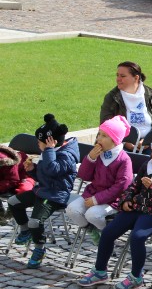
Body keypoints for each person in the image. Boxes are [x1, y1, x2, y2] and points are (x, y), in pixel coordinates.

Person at [77, 130, 152, 289]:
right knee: (108, 232)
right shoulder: (148, 165)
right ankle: (100, 270)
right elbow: (133, 186)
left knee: (137, 237)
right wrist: (126, 201)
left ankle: (136, 276)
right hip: (137, 207)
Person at [9, 114, 79, 268]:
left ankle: (39, 248)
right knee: (13, 202)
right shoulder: (49, 153)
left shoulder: (66, 156)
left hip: (55, 195)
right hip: (42, 190)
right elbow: (45, 175)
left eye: (39, 142)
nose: (37, 144)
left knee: (35, 221)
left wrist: (48, 151)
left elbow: (53, 170)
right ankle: (25, 231)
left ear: (50, 142)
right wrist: (33, 170)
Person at [67, 116, 134, 245]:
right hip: (93, 193)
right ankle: (92, 230)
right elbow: (84, 176)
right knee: (72, 209)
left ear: (114, 140)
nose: (98, 138)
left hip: (114, 200)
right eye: (99, 134)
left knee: (92, 215)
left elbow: (122, 186)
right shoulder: (97, 154)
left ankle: (107, 235)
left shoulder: (124, 160)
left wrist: (97, 199)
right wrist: (90, 159)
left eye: (104, 136)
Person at [100, 61, 152, 151]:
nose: (118, 79)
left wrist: (149, 139)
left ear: (136, 78)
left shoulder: (151, 94)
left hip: (151, 143)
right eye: (117, 75)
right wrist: (124, 141)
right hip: (120, 143)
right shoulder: (112, 97)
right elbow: (106, 123)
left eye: (122, 76)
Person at [0, 146, 28, 224]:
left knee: (24, 189)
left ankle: (13, 209)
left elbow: (13, 180)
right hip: (4, 178)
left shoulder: (7, 161)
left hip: (21, 176)